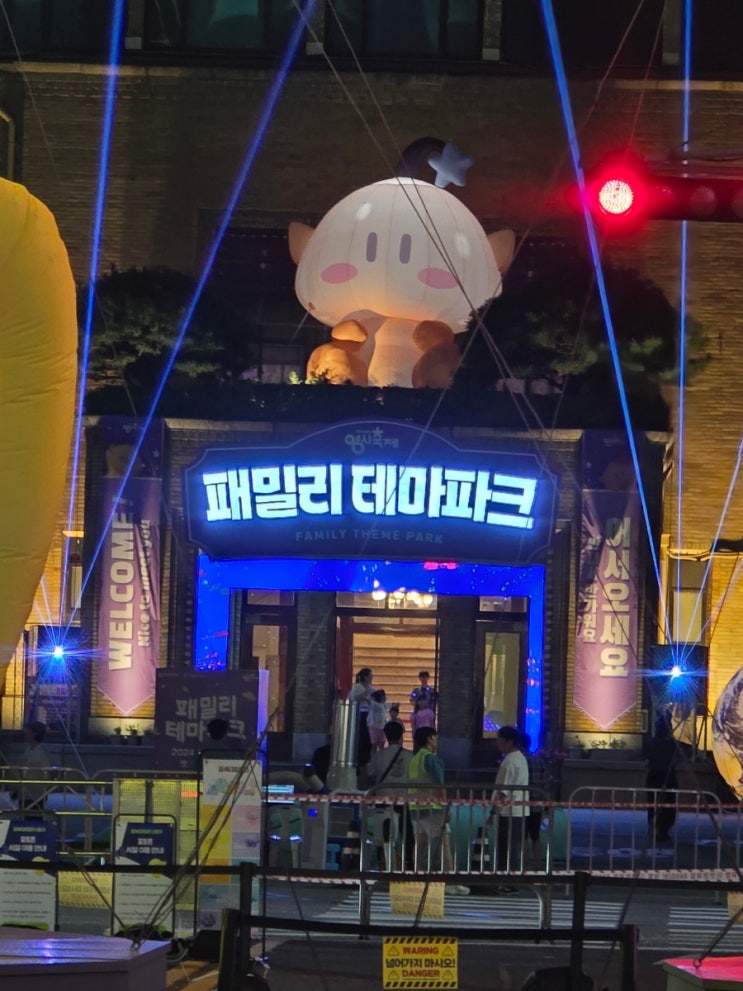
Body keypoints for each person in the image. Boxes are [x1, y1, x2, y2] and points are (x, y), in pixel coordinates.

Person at [408, 726, 469, 895]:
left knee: (419, 845)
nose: (437, 741)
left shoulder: (414, 760)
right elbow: (439, 786)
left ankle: (418, 877)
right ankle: (450, 882)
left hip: (415, 808)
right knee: (444, 845)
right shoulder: (432, 760)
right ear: (429, 739)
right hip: (433, 809)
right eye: (435, 738)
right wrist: (445, 808)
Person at [367, 720, 414, 870]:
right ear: (401, 736)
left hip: (383, 797)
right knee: (406, 832)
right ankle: (409, 862)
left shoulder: (379, 755)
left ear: (386, 736)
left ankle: (382, 861)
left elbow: (371, 773)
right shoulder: (409, 756)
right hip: (402, 798)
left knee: (382, 831)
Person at [487, 725, 529, 891]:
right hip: (519, 809)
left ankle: (508, 882)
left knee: (506, 848)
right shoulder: (520, 758)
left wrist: (493, 811)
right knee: (513, 847)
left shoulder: (509, 762)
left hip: (508, 811)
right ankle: (511, 881)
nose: (497, 743)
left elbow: (502, 791)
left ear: (509, 742)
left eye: (500, 740)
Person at [520, 732, 552, 867]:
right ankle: (538, 865)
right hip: (536, 805)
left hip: (521, 805)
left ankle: (524, 865)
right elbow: (546, 783)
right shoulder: (538, 761)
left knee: (523, 837)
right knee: (535, 836)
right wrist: (546, 804)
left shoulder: (519, 761)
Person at [645, 714, 678, 842]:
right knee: (665, 804)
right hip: (664, 777)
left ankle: (658, 828)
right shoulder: (670, 744)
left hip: (657, 776)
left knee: (657, 804)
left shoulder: (655, 743)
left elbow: (647, 759)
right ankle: (661, 828)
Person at [19, 721, 51, 812]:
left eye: (28, 731)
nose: (25, 733)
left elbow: (47, 774)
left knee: (34, 817)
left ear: (34, 734)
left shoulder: (41, 753)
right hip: (25, 792)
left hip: (36, 794)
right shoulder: (29, 749)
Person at [347, 668, 374, 769]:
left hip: (370, 714)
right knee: (361, 737)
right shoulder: (357, 687)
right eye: (370, 676)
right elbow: (354, 698)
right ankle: (359, 759)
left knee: (369, 738)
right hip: (360, 714)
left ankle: (367, 759)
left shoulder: (371, 688)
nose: (372, 678)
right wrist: (364, 695)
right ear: (365, 677)